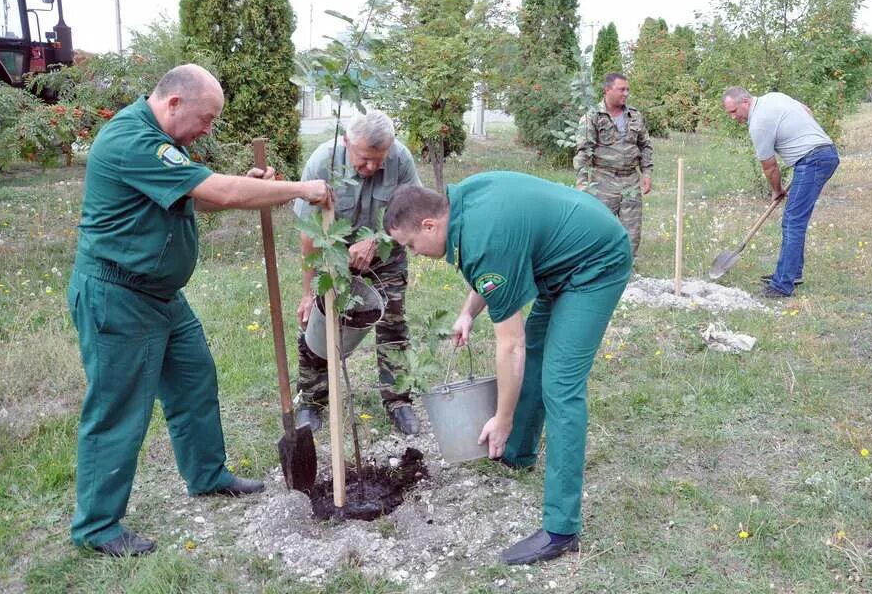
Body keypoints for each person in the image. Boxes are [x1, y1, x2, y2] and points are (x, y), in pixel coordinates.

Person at [67, 64, 333, 556]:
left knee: (194, 380)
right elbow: (220, 190)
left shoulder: (161, 141)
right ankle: (97, 526)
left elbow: (195, 196)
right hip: (118, 297)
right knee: (118, 409)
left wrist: (248, 184)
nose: (208, 129)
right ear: (174, 103)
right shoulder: (131, 140)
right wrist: (299, 188)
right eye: (206, 118)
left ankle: (207, 476)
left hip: (160, 295)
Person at [384, 172, 633, 565]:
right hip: (562, 262)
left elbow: (510, 344)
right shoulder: (463, 205)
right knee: (537, 355)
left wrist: (501, 417)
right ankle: (518, 453)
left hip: (596, 263)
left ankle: (561, 529)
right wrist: (468, 312)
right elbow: (490, 266)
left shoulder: (483, 235)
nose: (415, 252)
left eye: (412, 244)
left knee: (561, 386)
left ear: (429, 224)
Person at [293, 111, 422, 436]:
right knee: (319, 326)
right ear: (348, 142)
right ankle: (311, 400)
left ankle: (398, 401)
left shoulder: (400, 158)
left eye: (379, 160)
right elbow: (309, 233)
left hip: (386, 257)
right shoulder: (323, 162)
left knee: (393, 326)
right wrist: (308, 293)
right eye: (365, 160)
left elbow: (410, 213)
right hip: (333, 256)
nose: (373, 168)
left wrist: (377, 240)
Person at [722, 86, 840, 298]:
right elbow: (806, 110)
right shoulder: (774, 97)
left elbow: (770, 167)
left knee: (792, 221)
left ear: (745, 103)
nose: (732, 118)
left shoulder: (758, 124)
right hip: (821, 153)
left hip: (813, 160)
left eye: (733, 112)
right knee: (795, 219)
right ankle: (791, 273)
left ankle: (782, 285)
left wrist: (776, 190)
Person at [573, 72, 654, 255]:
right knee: (600, 227)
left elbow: (645, 145)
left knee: (632, 231)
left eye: (627, 89)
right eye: (621, 89)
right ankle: (598, 267)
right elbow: (584, 151)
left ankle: (627, 268)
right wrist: (582, 183)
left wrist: (647, 173)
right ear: (607, 90)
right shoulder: (592, 117)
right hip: (603, 180)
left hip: (631, 180)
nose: (626, 93)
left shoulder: (635, 116)